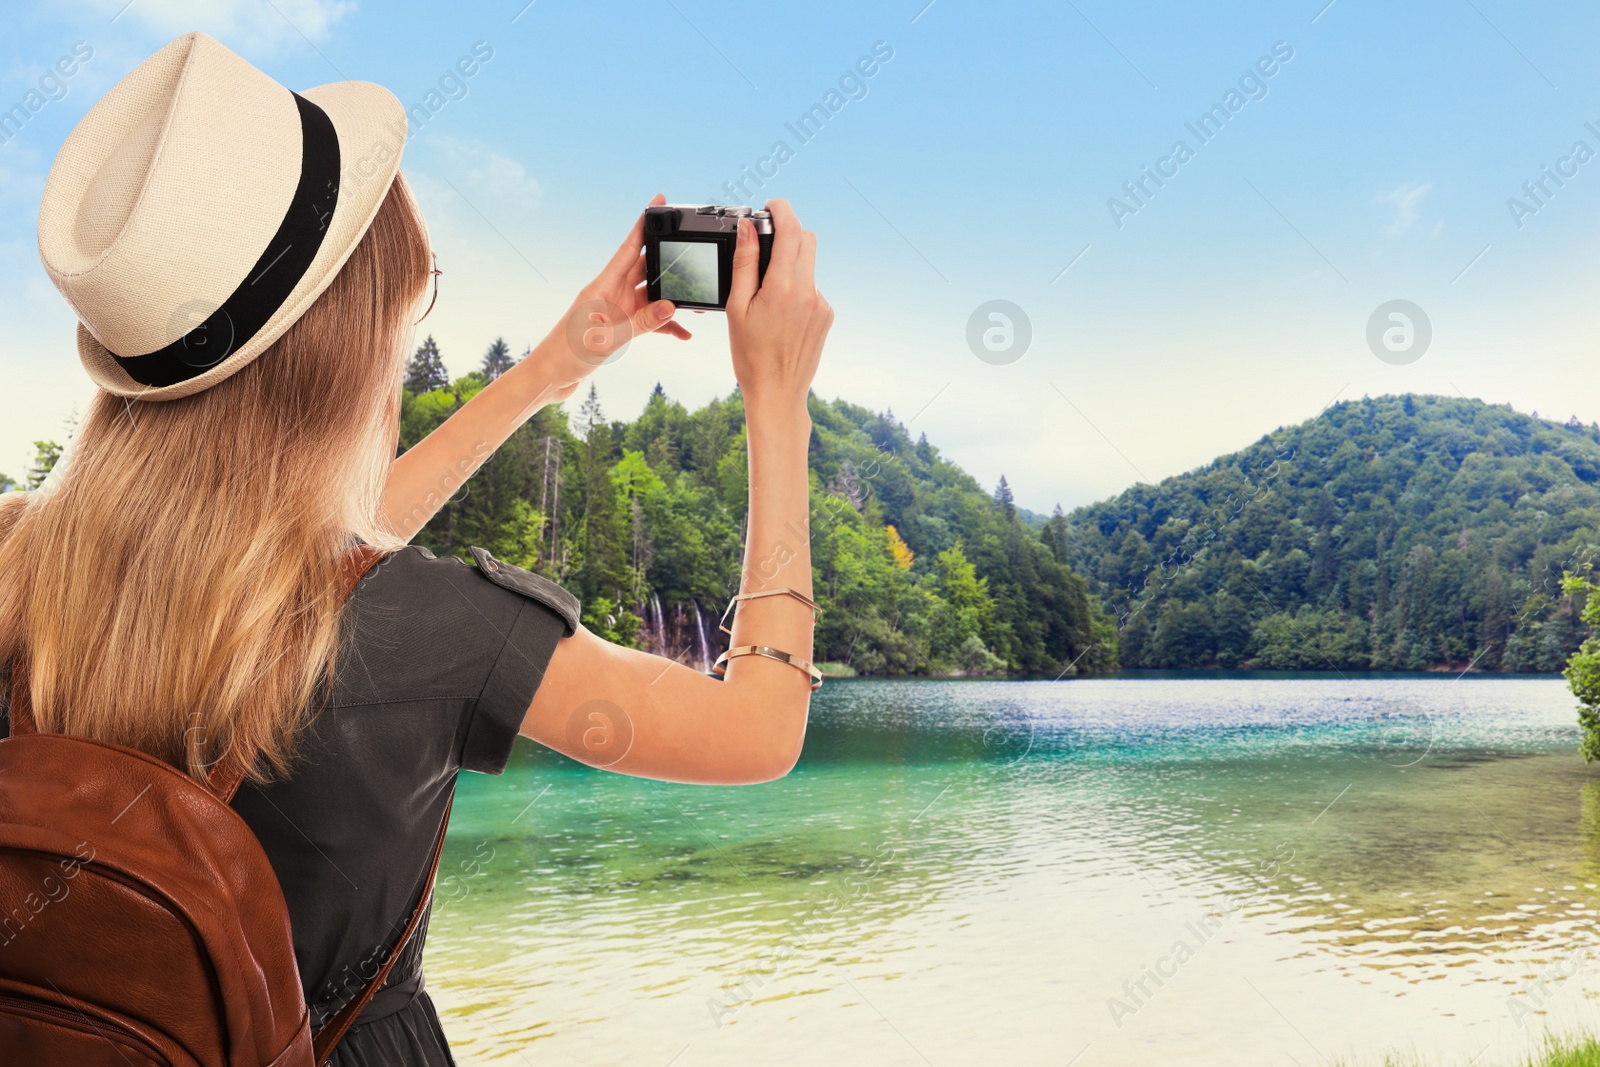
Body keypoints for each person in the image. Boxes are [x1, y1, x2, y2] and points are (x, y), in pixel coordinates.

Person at [0, 32, 831, 1066]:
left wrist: (549, 370)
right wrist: (779, 406)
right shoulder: (436, 636)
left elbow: (315, 564)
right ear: (359, 341)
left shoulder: (17, 567)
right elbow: (758, 727)